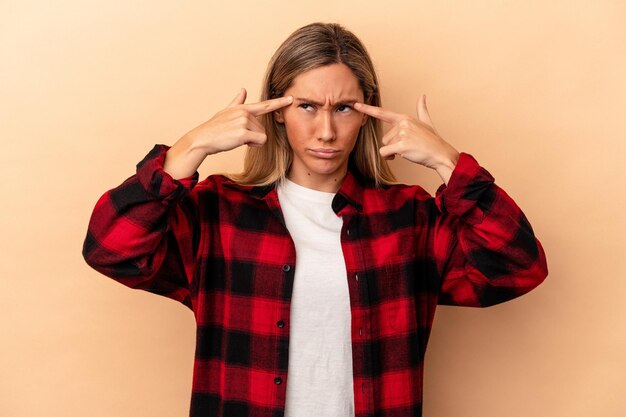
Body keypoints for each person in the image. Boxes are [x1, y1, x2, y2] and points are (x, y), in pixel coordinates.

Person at [83, 22, 548, 417]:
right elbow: (111, 249)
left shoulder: (409, 218)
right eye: (307, 106)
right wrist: (188, 151)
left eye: (343, 108)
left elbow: (517, 268)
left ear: (366, 113)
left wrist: (450, 163)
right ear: (278, 112)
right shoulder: (219, 213)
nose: (326, 130)